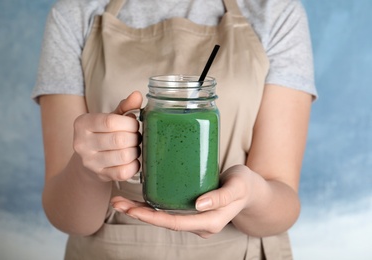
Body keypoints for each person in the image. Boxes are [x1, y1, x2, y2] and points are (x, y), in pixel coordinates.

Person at [33, 0, 317, 259]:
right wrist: (87, 170)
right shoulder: (75, 12)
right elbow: (66, 217)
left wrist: (251, 194)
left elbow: (283, 200)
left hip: (239, 248)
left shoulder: (276, 11)